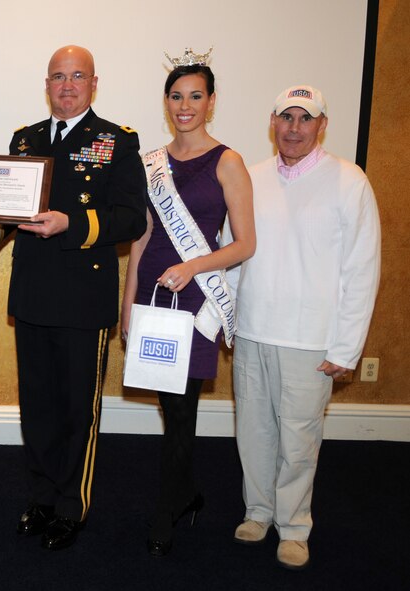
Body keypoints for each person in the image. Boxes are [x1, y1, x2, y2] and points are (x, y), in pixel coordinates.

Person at [0, 45, 147, 550]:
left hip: (82, 298)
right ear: (47, 83)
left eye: (78, 76)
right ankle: (41, 498)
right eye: (58, 76)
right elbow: (9, 209)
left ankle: (71, 506)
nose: (67, 85)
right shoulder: (25, 139)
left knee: (78, 409)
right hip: (32, 292)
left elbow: (131, 218)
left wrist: (70, 224)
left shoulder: (116, 140)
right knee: (37, 407)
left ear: (93, 83)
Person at [232, 85, 380, 570]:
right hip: (253, 331)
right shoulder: (249, 178)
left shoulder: (349, 181)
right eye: (286, 118)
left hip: (311, 339)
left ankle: (294, 526)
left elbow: (362, 269)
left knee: (299, 439)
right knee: (253, 432)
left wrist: (347, 346)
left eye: (305, 118)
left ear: (321, 125)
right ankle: (258, 512)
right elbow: (230, 257)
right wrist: (226, 321)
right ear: (272, 122)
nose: (294, 128)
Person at [121, 48, 255, 557]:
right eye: (176, 96)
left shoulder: (229, 161)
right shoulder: (149, 163)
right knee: (168, 403)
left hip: (197, 298)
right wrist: (128, 303)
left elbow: (244, 243)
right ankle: (188, 493)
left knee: (182, 409)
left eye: (195, 96)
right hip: (155, 293)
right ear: (166, 102)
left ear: (211, 102)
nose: (185, 105)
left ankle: (165, 511)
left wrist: (194, 268)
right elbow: (141, 237)